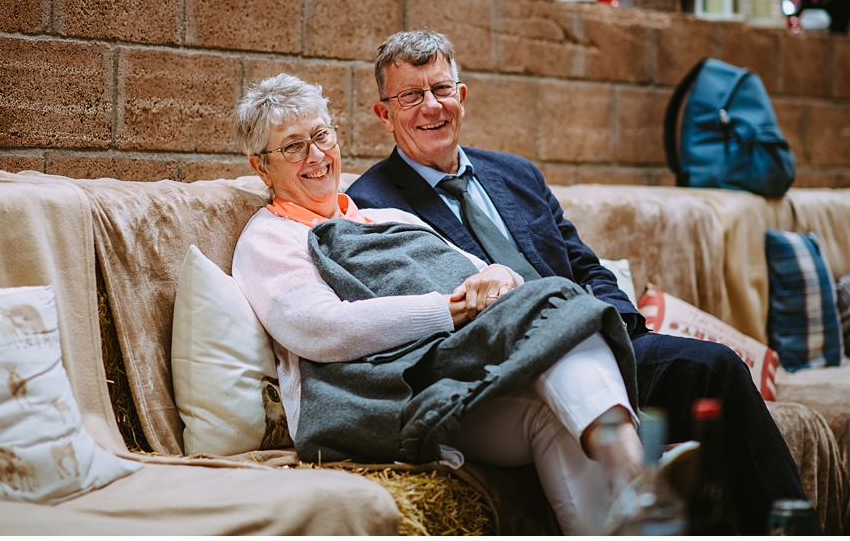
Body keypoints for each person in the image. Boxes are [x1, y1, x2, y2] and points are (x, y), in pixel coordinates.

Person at [347, 30, 814, 536]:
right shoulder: (373, 203)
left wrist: (619, 332)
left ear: (461, 96)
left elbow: (586, 267)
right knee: (714, 367)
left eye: (440, 89)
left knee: (713, 373)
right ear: (384, 114)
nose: (430, 106)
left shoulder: (516, 174)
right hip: (509, 366)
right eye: (410, 96)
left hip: (597, 336)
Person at [232, 74, 644, 534]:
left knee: (549, 414)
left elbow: (483, 271)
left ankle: (621, 516)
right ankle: (636, 471)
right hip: (386, 392)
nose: (315, 155)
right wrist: (448, 311)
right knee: (556, 299)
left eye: (321, 135)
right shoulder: (270, 238)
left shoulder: (385, 217)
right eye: (292, 146)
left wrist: (498, 275)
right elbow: (319, 328)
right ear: (261, 167)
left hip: (459, 375)